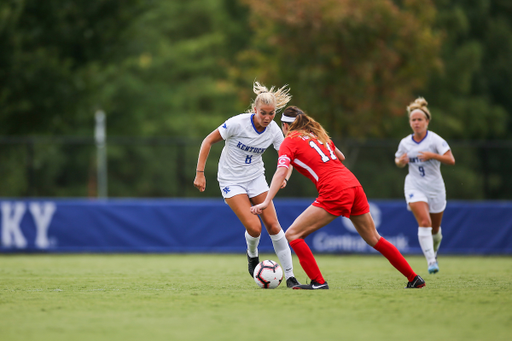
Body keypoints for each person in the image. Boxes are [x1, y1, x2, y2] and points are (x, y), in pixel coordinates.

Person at [251, 106, 425, 289]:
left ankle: (318, 282)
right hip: (353, 184)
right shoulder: (318, 135)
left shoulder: (289, 141)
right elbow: (339, 156)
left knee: (293, 234)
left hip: (334, 189)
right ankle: (414, 278)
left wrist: (266, 200)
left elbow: (280, 171)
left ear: (285, 126)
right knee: (374, 238)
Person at [193, 81, 300, 288]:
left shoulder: (274, 131)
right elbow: (207, 141)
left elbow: (287, 157)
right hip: (231, 180)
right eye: (263, 113)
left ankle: (291, 276)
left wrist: (285, 176)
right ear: (254, 110)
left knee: (275, 226)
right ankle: (252, 255)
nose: (268, 118)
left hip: (256, 178)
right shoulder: (237, 123)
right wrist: (200, 173)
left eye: (272, 113)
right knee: (254, 227)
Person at [395, 97, 455, 274]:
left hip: (435, 188)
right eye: (413, 120)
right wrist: (401, 161)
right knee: (425, 222)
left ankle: (433, 252)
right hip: (414, 186)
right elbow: (398, 160)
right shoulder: (405, 142)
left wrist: (432, 155)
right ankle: (431, 262)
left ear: (427, 121)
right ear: (410, 122)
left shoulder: (435, 140)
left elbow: (451, 159)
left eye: (420, 119)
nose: (416, 123)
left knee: (435, 230)